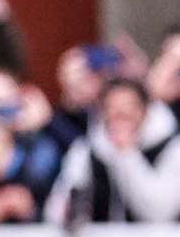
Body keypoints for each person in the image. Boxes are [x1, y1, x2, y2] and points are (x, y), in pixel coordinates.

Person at [43, 77, 180, 226]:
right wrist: (68, 212)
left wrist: (127, 154)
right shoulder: (87, 151)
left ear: (145, 110)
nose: (120, 115)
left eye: (129, 107)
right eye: (112, 107)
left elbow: (159, 214)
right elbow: (56, 210)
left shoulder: (172, 148)